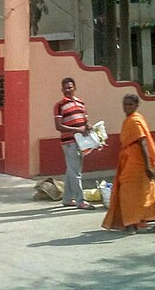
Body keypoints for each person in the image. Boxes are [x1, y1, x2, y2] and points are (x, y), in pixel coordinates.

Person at [102, 93, 155, 234]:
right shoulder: (130, 120)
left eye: (130, 104)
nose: (127, 107)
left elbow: (143, 142)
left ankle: (132, 224)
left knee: (130, 192)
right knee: (144, 192)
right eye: (125, 104)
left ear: (136, 106)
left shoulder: (136, 120)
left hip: (137, 162)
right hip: (129, 160)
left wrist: (147, 165)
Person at [54, 77, 95, 210]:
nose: (68, 90)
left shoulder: (81, 103)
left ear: (75, 88)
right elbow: (58, 126)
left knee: (72, 171)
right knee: (76, 172)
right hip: (69, 142)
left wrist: (89, 126)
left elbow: (86, 120)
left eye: (70, 87)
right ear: (62, 90)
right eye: (65, 88)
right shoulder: (59, 105)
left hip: (81, 142)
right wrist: (77, 130)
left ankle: (67, 199)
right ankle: (80, 201)